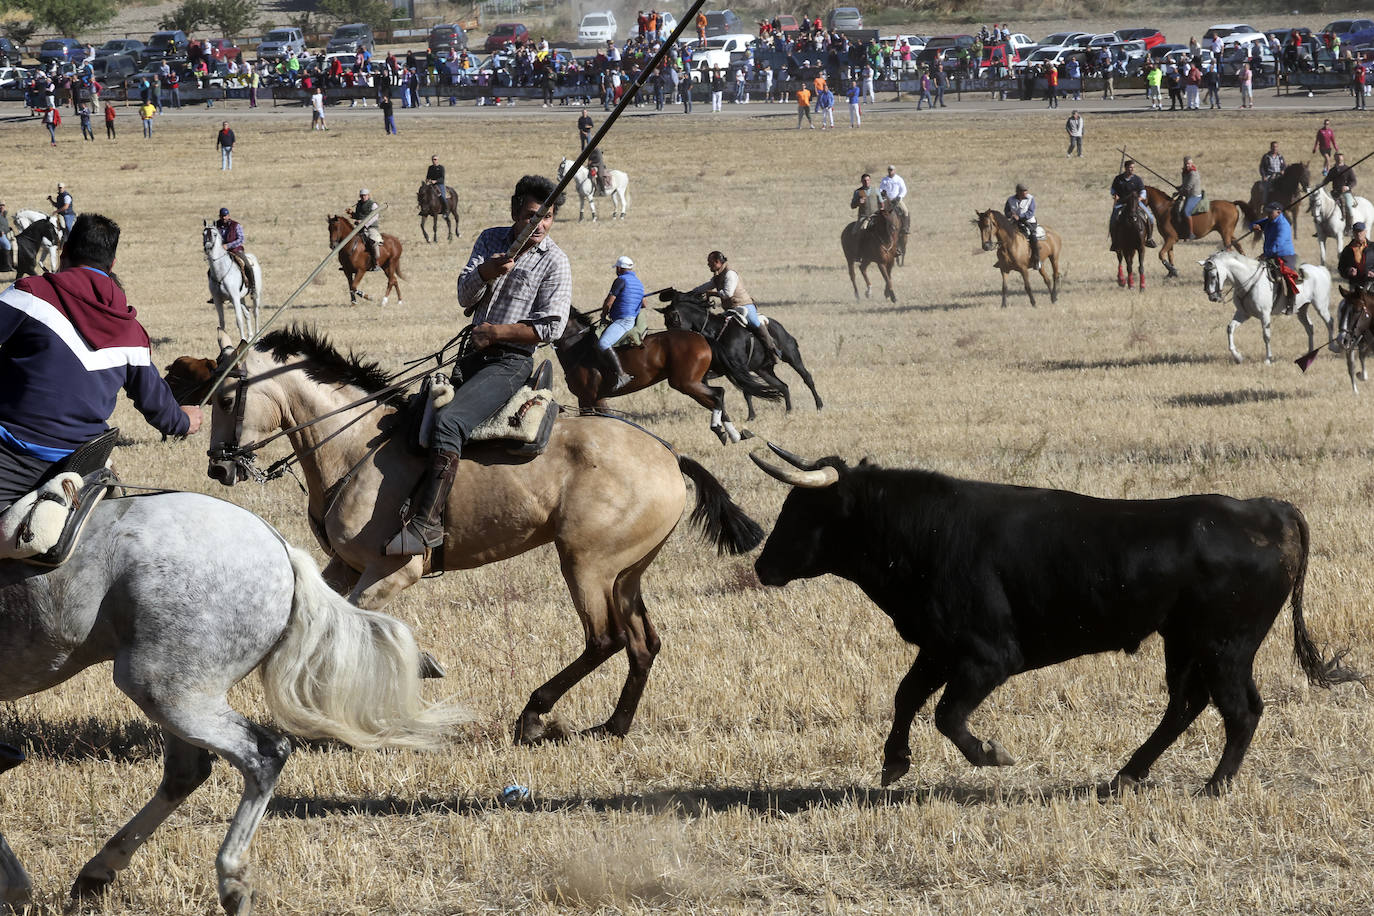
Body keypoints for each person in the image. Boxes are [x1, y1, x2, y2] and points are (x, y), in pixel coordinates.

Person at [384, 175, 571, 556]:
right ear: (516, 210)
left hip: (509, 361)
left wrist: (498, 333)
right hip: (470, 352)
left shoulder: (555, 261)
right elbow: (463, 294)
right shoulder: (490, 239)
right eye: (534, 215)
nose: (541, 225)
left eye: (548, 217)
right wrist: (487, 272)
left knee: (450, 421)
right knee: (408, 420)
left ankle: (427, 526)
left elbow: (551, 326)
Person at [0, 213, 200, 510]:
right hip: (85, 464)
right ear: (113, 265)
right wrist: (184, 421)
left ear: (64, 252)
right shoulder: (132, 331)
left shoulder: (28, 296)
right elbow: (156, 403)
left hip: (12, 455)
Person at [690, 250, 780, 360]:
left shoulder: (729, 274)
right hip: (731, 309)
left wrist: (711, 293)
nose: (708, 265)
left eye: (710, 262)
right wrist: (691, 293)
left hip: (745, 305)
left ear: (717, 262)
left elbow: (728, 293)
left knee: (754, 322)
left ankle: (772, 349)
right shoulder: (718, 276)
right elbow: (706, 286)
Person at [594, 255, 643, 392]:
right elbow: (644, 304)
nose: (616, 270)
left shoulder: (620, 280)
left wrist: (603, 315)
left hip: (623, 320)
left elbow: (609, 302)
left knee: (603, 343)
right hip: (632, 318)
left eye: (616, 268)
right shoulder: (638, 283)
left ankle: (622, 375)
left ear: (620, 268)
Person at [1251, 201, 1298, 312]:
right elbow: (1254, 223)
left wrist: (1265, 254)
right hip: (1270, 255)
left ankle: (1290, 304)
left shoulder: (1283, 225)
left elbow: (1277, 245)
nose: (1268, 214)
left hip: (1285, 256)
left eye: (1270, 212)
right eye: (1267, 212)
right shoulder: (1269, 221)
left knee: (1288, 276)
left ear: (1278, 212)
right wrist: (1254, 226)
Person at [1110, 160, 1155, 246]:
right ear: (1126, 168)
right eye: (1130, 167)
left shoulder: (1137, 179)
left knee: (1150, 217)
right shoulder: (1118, 179)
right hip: (1121, 203)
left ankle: (1149, 239)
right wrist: (1115, 195)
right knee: (1113, 219)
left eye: (1133, 168)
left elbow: (1143, 191)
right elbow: (1113, 190)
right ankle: (1114, 242)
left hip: (1135, 203)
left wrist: (1140, 198)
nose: (1132, 169)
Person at [1004, 183, 1040, 269]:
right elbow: (1006, 211)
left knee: (1033, 237)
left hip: (1029, 222)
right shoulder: (1010, 200)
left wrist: (1019, 216)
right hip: (1015, 222)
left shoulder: (1030, 199)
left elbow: (1030, 212)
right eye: (1023, 191)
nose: (1025, 193)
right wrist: (1010, 215)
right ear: (1017, 192)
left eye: (1026, 191)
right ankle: (1003, 259)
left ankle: (1036, 260)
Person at [347, 189, 383, 271]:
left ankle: (376, 262)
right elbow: (358, 216)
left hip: (370, 227)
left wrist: (363, 223)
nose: (363, 197)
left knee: (374, 241)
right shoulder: (359, 204)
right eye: (362, 195)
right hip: (360, 228)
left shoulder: (373, 205)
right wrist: (351, 214)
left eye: (365, 195)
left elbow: (375, 216)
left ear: (368, 195)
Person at [214, 207, 251, 283]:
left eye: (225, 215)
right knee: (210, 270)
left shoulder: (236, 225)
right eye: (222, 216)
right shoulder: (216, 226)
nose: (224, 218)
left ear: (229, 216)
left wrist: (228, 246)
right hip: (221, 252)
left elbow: (241, 239)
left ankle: (252, 286)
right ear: (219, 216)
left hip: (235, 250)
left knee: (247, 266)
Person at [1326, 151, 1359, 230]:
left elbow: (1354, 181)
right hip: (1334, 192)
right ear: (1334, 158)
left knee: (1348, 207)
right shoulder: (1332, 170)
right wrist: (1320, 186)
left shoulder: (1348, 169)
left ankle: (1349, 228)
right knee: (1323, 205)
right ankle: (1323, 228)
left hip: (1345, 193)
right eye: (1337, 156)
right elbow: (1326, 180)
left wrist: (1347, 187)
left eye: (1340, 155)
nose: (1339, 157)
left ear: (1343, 157)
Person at [1339, 222, 1374, 297]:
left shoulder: (1373, 247)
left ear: (1365, 232)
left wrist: (1373, 273)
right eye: (1356, 232)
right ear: (1353, 233)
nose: (1359, 234)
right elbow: (1341, 268)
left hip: (1372, 284)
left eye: (1361, 231)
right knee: (1351, 307)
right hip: (1355, 285)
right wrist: (1348, 271)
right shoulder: (1347, 250)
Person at [1174, 156, 1203, 240]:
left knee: (1186, 212)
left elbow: (1188, 187)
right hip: (1188, 194)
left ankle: (1191, 233)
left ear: (1192, 163)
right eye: (1186, 163)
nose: (1187, 165)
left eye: (1189, 163)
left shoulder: (1193, 173)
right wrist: (1180, 187)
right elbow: (1185, 184)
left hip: (1194, 195)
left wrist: (1179, 192)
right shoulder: (1185, 172)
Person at [879, 165, 909, 236]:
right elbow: (881, 188)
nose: (890, 171)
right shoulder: (885, 180)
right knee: (880, 212)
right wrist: (882, 194)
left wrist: (899, 197)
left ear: (894, 170)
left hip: (897, 200)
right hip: (887, 200)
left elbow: (904, 189)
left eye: (892, 170)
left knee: (905, 211)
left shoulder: (899, 179)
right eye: (889, 170)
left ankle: (905, 227)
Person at [0, 203, 11, 274]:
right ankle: (6, 265)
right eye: (0, 206)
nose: (2, 207)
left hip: (6, 234)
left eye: (3, 206)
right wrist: (1, 231)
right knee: (7, 246)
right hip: (0, 235)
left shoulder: (4, 215)